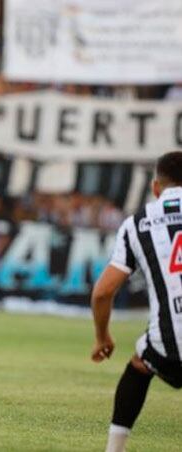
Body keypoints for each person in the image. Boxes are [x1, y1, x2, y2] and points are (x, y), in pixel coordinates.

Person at [90, 151, 182, 452]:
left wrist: (102, 337)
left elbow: (103, 292)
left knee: (141, 364)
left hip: (170, 343)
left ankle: (114, 449)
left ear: (156, 187)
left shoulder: (138, 224)